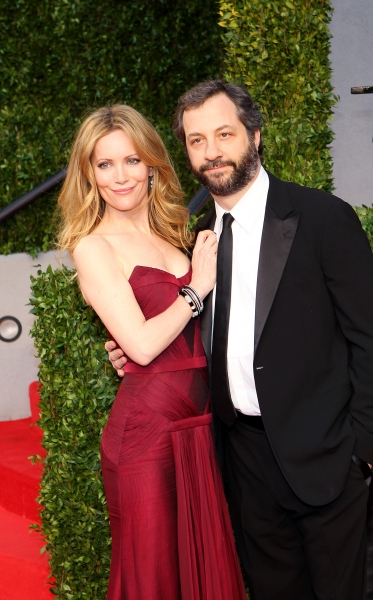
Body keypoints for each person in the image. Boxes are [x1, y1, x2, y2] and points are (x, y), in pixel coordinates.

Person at [107, 81, 373, 600]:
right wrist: (130, 350)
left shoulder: (322, 218)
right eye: (197, 140)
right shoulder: (195, 240)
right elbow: (183, 331)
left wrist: (363, 453)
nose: (212, 151)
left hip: (328, 460)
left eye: (224, 134)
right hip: (243, 466)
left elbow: (372, 341)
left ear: (255, 136)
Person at [57, 104, 248, 600]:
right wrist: (195, 289)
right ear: (88, 174)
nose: (120, 177)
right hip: (147, 437)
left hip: (200, 427)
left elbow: (174, 336)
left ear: (152, 165)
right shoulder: (92, 245)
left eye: (131, 160)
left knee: (199, 573)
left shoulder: (172, 231)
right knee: (154, 579)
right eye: (104, 165)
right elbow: (141, 346)